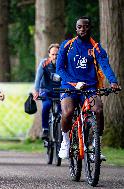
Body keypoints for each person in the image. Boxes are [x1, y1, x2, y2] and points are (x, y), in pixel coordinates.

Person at [56, 16, 120, 160]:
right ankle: (65, 143)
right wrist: (74, 83)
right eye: (79, 27)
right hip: (69, 86)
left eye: (85, 26)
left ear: (90, 28)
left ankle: (95, 146)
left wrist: (113, 81)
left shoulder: (96, 47)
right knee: (68, 112)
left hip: (89, 87)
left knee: (98, 110)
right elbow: (59, 69)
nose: (82, 29)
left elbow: (105, 65)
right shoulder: (67, 45)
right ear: (76, 29)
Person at [32, 44, 61, 141]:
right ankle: (45, 129)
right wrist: (36, 91)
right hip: (46, 91)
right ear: (49, 54)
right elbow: (38, 78)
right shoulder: (44, 63)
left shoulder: (63, 64)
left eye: (57, 54)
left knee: (63, 110)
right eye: (53, 54)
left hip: (60, 91)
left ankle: (62, 132)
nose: (55, 57)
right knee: (46, 106)